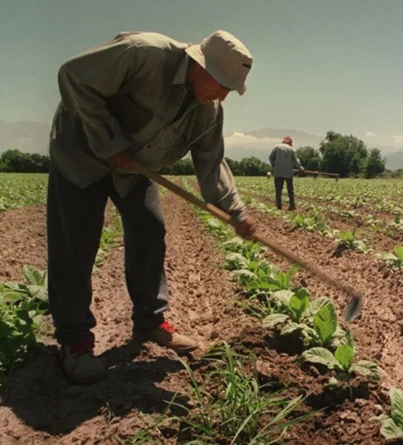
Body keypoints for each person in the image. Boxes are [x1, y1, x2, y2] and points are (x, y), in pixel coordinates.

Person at [46, 30, 258, 384]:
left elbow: (211, 164)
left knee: (149, 229)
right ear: (199, 66)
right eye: (222, 83)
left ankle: (150, 321)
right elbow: (73, 76)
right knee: (76, 244)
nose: (224, 94)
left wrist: (237, 213)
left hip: (134, 169)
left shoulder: (209, 110)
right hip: (81, 156)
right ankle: (75, 341)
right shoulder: (143, 53)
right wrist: (108, 140)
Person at [269, 136, 303, 210]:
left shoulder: (276, 147)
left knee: (278, 190)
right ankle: (292, 205)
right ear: (290, 143)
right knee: (290, 189)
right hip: (288, 172)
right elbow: (296, 161)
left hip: (278, 172)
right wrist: (301, 168)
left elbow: (271, 157)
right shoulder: (292, 150)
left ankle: (278, 206)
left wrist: (274, 165)